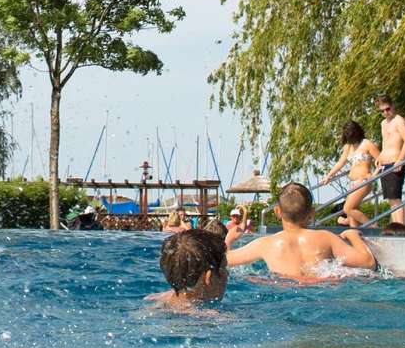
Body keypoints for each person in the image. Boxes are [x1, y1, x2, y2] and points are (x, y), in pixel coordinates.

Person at [225, 182, 376, 283]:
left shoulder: (265, 244)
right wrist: (352, 235)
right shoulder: (326, 238)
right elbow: (368, 263)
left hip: (283, 289)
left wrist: (228, 240)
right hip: (321, 290)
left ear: (277, 212)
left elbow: (225, 260)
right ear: (311, 213)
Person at [146, 228, 228, 310]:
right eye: (224, 269)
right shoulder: (212, 318)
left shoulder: (159, 300)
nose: (227, 274)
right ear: (208, 278)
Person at [318, 120, 380, 227]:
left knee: (348, 208)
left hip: (364, 181)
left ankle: (373, 226)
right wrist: (329, 175)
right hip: (352, 183)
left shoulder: (367, 144)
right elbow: (341, 162)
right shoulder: (348, 146)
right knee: (352, 214)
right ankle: (355, 235)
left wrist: (373, 175)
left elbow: (381, 161)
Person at [375, 94, 405, 217]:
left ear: (392, 106)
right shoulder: (383, 123)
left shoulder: (399, 121)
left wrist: (400, 160)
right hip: (384, 164)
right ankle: (395, 228)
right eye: (382, 111)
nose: (385, 112)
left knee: (396, 199)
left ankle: (400, 230)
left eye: (387, 109)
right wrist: (379, 157)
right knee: (391, 201)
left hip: (395, 163)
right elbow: (386, 143)